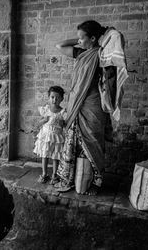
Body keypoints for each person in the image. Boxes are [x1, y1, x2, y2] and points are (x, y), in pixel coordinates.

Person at [54, 20, 113, 195]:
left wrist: (97, 41)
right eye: (78, 38)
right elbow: (59, 45)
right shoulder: (81, 52)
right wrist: (80, 39)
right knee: (75, 142)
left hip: (93, 105)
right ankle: (71, 178)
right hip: (76, 104)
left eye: (82, 38)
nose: (78, 41)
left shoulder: (102, 55)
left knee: (94, 141)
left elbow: (109, 81)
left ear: (93, 38)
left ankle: (96, 182)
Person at [33, 86, 67, 185]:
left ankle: (54, 175)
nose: (54, 100)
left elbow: (65, 125)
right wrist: (44, 120)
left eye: (57, 98)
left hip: (57, 137)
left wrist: (62, 123)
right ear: (49, 97)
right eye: (52, 97)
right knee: (45, 155)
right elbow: (38, 123)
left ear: (62, 99)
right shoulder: (46, 109)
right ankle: (44, 174)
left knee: (55, 156)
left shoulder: (62, 112)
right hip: (46, 136)